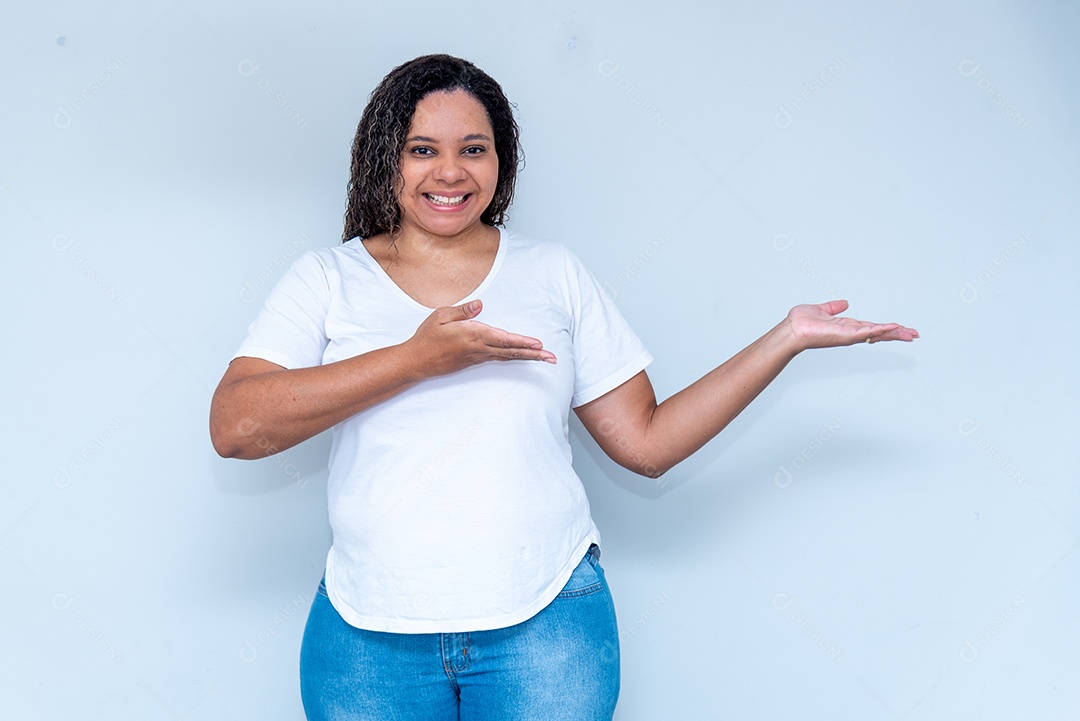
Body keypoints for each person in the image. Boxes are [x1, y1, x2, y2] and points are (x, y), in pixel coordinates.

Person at [209, 54, 917, 720]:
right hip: (367, 638)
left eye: (474, 148)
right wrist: (414, 358)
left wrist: (785, 338)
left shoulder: (553, 275)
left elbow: (648, 442)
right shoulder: (328, 280)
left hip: (546, 631)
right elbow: (236, 427)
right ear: (384, 157)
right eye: (423, 148)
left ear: (501, 160)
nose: (450, 171)